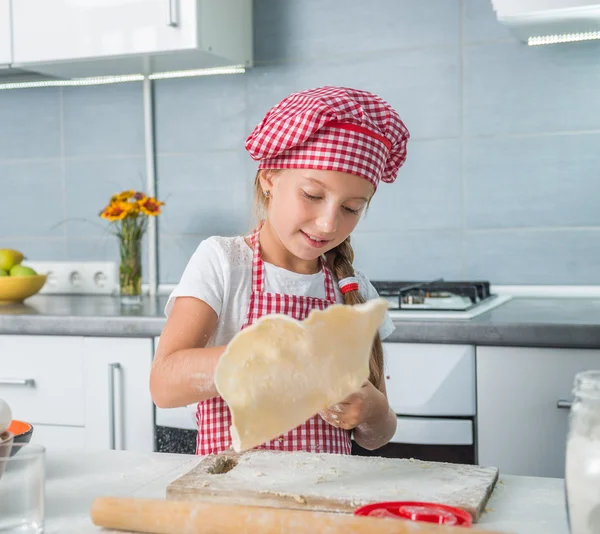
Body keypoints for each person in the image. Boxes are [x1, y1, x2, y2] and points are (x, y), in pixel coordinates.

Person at [150, 85, 410, 456]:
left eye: (351, 208)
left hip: (324, 502)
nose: (326, 224)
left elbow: (376, 436)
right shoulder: (223, 262)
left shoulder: (352, 289)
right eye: (313, 195)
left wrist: (372, 410)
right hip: (233, 501)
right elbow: (164, 384)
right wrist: (260, 355)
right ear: (269, 177)